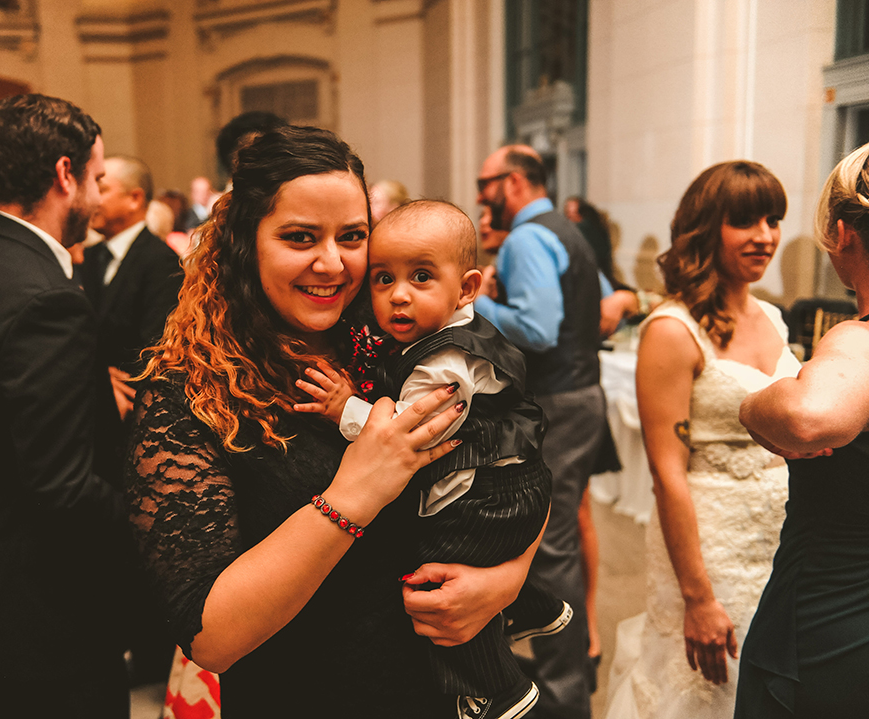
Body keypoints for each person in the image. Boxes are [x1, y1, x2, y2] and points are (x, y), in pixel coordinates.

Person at [126, 125, 542, 719]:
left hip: (439, 693)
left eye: (352, 238)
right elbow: (211, 637)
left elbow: (519, 451)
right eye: (300, 238)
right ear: (246, 242)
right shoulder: (188, 391)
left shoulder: (392, 336)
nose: (332, 264)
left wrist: (504, 579)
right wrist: (353, 494)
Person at [294, 199, 570, 719]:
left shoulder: (445, 359)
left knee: (436, 574)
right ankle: (537, 605)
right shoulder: (450, 332)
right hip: (508, 483)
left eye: (421, 277)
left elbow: (404, 432)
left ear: (467, 287)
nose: (398, 296)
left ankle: (498, 687)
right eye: (382, 279)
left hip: (486, 498)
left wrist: (341, 409)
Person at [0, 94, 133, 717]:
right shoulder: (46, 297)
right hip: (40, 611)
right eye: (95, 178)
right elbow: (62, 487)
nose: (96, 194)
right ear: (65, 175)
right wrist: (147, 519)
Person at [603, 161, 798, 719]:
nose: (765, 236)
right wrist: (698, 597)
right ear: (707, 228)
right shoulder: (672, 329)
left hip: (775, 534)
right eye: (745, 221)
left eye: (773, 219)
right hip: (707, 543)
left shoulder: (774, 319)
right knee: (704, 687)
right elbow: (667, 474)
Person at [734, 143, 869, 718]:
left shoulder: (857, 337)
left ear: (842, 234)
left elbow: (809, 417)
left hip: (835, 617)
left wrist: (749, 410)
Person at [474, 144, 604, 719]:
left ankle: (560, 696)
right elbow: (606, 305)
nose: (481, 195)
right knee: (557, 540)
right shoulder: (567, 229)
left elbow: (538, 329)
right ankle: (561, 683)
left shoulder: (528, 236)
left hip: (556, 398)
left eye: (486, 183)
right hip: (582, 393)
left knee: (550, 548)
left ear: (517, 181)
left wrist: (473, 300)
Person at [83, 155, 183, 422]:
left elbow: (155, 348)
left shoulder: (161, 261)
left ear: (135, 198)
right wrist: (97, 376)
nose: (91, 199)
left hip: (133, 411)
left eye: (102, 189)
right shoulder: (88, 257)